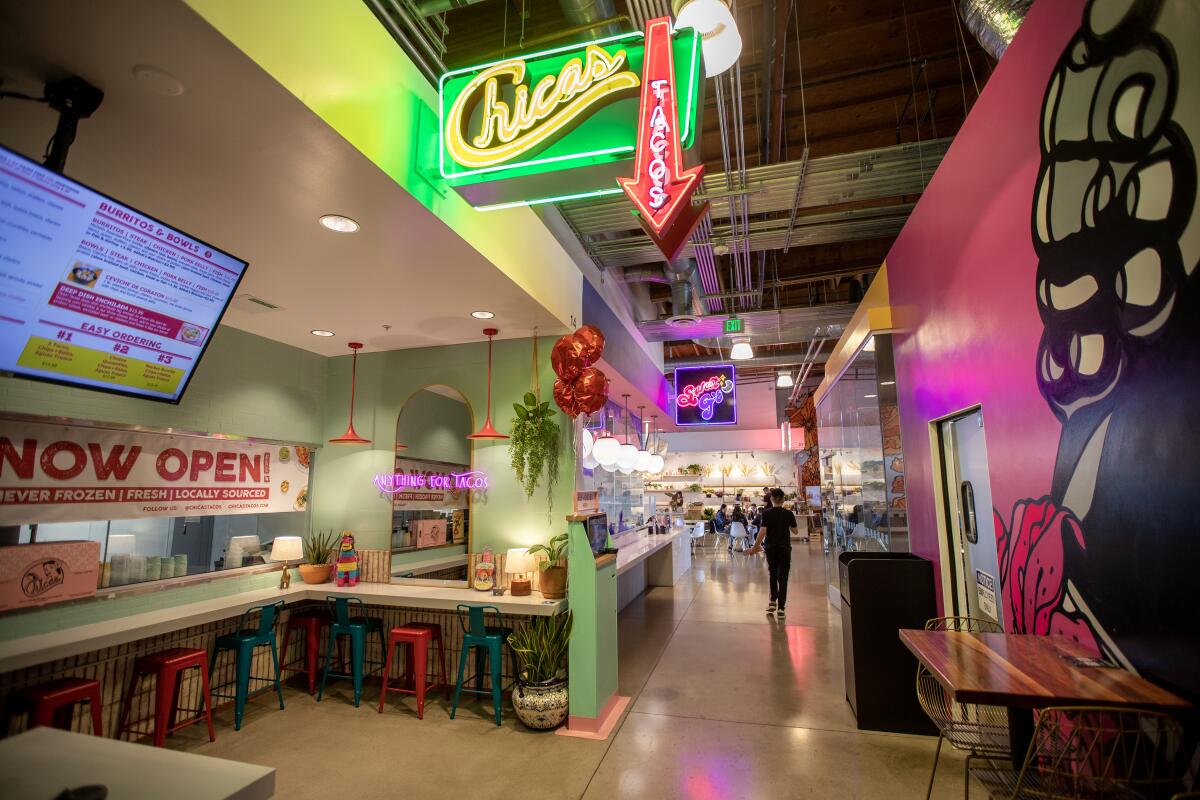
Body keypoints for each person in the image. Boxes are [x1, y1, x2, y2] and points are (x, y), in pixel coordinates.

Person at [747, 488, 798, 619]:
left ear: (771, 499)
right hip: (784, 548)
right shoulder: (788, 514)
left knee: (773, 574)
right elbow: (796, 531)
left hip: (770, 548)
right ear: (783, 499)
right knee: (783, 577)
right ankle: (781, 608)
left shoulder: (767, 513)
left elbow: (762, 532)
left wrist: (755, 546)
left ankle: (772, 602)